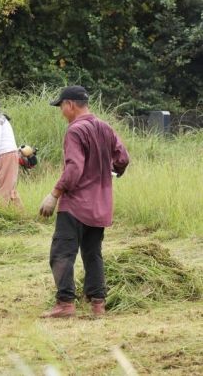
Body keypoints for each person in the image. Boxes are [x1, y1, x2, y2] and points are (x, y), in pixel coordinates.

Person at [39, 86, 129, 318]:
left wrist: (54, 194)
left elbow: (74, 168)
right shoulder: (105, 127)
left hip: (76, 205)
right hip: (100, 205)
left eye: (61, 107)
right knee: (92, 253)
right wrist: (112, 171)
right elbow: (123, 158)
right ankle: (98, 304)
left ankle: (65, 303)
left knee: (61, 253)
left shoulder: (75, 130)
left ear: (69, 104)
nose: (61, 112)